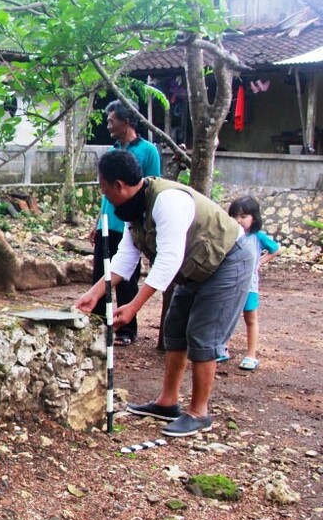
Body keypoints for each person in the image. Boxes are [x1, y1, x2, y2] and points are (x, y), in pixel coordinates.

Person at [76, 150, 252, 437]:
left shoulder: (167, 201)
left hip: (227, 261)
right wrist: (95, 293)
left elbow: (169, 258)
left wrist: (134, 306)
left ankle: (199, 412)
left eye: (104, 189)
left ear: (119, 185)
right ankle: (167, 402)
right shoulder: (137, 208)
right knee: (175, 328)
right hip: (194, 268)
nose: (104, 196)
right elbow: (126, 257)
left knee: (202, 334)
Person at [89, 100, 161, 346]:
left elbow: (152, 185)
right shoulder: (110, 152)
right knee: (100, 273)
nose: (108, 125)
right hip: (108, 222)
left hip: (129, 223)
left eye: (111, 120)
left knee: (126, 276)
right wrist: (98, 222)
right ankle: (97, 324)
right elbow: (105, 193)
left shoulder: (148, 151)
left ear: (126, 121)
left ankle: (126, 329)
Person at [226, 195, 279, 371]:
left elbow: (275, 249)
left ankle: (251, 355)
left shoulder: (258, 237)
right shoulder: (229, 234)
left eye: (243, 216)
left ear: (253, 217)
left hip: (249, 285)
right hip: (230, 284)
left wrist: (259, 263)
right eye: (234, 216)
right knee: (226, 317)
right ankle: (222, 348)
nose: (238, 220)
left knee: (250, 318)